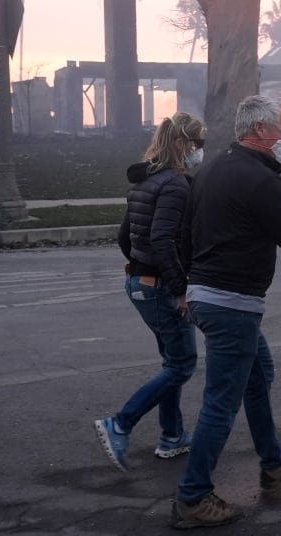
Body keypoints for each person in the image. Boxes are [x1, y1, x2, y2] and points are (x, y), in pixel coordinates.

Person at [170, 95, 281, 529]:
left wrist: (183, 288)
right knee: (221, 403)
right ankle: (193, 497)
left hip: (209, 297)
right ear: (261, 132)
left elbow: (184, 231)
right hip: (231, 303)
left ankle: (274, 461)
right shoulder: (260, 180)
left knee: (258, 376)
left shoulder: (212, 168)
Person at [94, 112, 208, 472]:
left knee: (171, 363)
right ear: (181, 144)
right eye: (198, 144)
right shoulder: (175, 184)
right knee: (183, 364)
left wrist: (138, 266)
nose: (201, 151)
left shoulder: (147, 180)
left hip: (140, 282)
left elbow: (125, 236)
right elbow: (162, 238)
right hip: (160, 287)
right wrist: (180, 288)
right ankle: (120, 423)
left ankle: (172, 437)